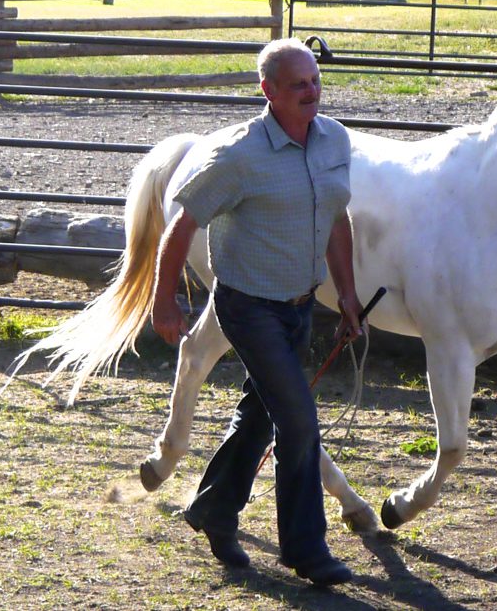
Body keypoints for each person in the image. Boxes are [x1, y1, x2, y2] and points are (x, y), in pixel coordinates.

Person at [151, 38, 362, 587]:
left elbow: (338, 220)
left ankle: (213, 510)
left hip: (299, 305)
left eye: (315, 81)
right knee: (298, 420)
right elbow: (182, 224)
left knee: (262, 414)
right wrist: (164, 296)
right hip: (247, 305)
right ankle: (306, 550)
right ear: (268, 91)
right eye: (298, 85)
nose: (312, 92)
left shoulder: (333, 140)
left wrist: (348, 293)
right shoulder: (240, 156)